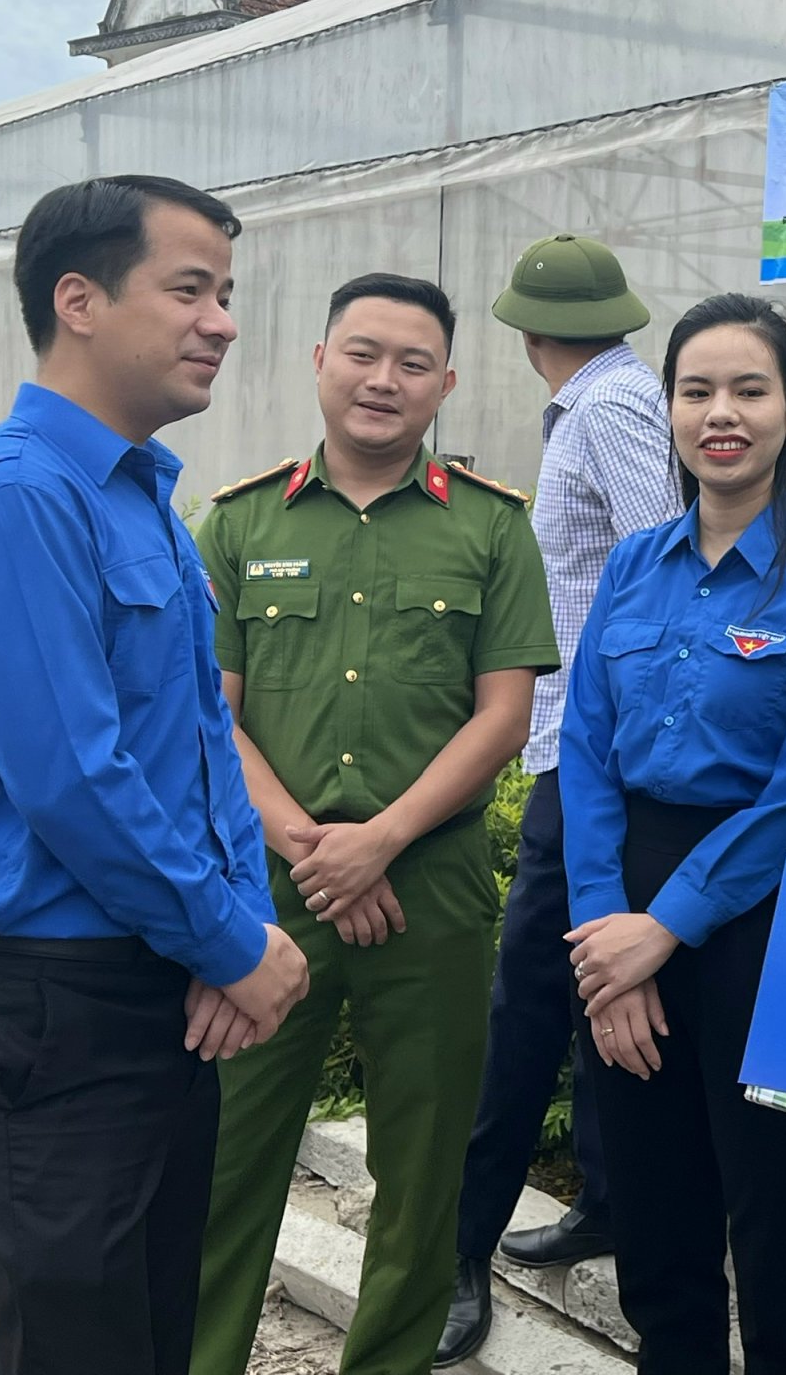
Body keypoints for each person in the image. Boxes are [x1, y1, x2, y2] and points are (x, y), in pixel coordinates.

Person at [0, 175, 308, 1375]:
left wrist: (234, 924)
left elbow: (201, 738)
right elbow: (74, 779)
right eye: (189, 289)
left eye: (226, 293)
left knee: (150, 1337)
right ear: (77, 300)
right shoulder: (17, 494)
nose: (222, 321)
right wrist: (230, 943)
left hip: (156, 988)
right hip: (50, 1011)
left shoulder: (140, 497)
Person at [188, 272, 560, 1375]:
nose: (382, 379)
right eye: (362, 353)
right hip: (267, 892)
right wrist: (313, 849)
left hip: (429, 888)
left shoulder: (491, 527)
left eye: (412, 363)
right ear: (319, 361)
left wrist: (380, 839)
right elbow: (209, 716)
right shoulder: (240, 521)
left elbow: (504, 717)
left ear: (446, 383)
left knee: (423, 1163)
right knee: (226, 1152)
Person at [561, 292, 786, 1375]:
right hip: (622, 899)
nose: (721, 413)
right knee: (654, 1202)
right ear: (668, 409)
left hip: (764, 910)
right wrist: (606, 938)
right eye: (695, 390)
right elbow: (587, 754)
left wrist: (663, 929)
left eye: (750, 389)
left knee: (778, 1200)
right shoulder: (631, 565)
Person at [437, 235, 680, 1367]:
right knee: (593, 996)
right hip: (585, 755)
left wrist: (610, 741)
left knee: (528, 999)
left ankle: (458, 1252)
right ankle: (609, 1202)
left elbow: (663, 559)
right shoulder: (604, 401)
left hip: (595, 763)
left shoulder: (607, 409)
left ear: (527, 330)